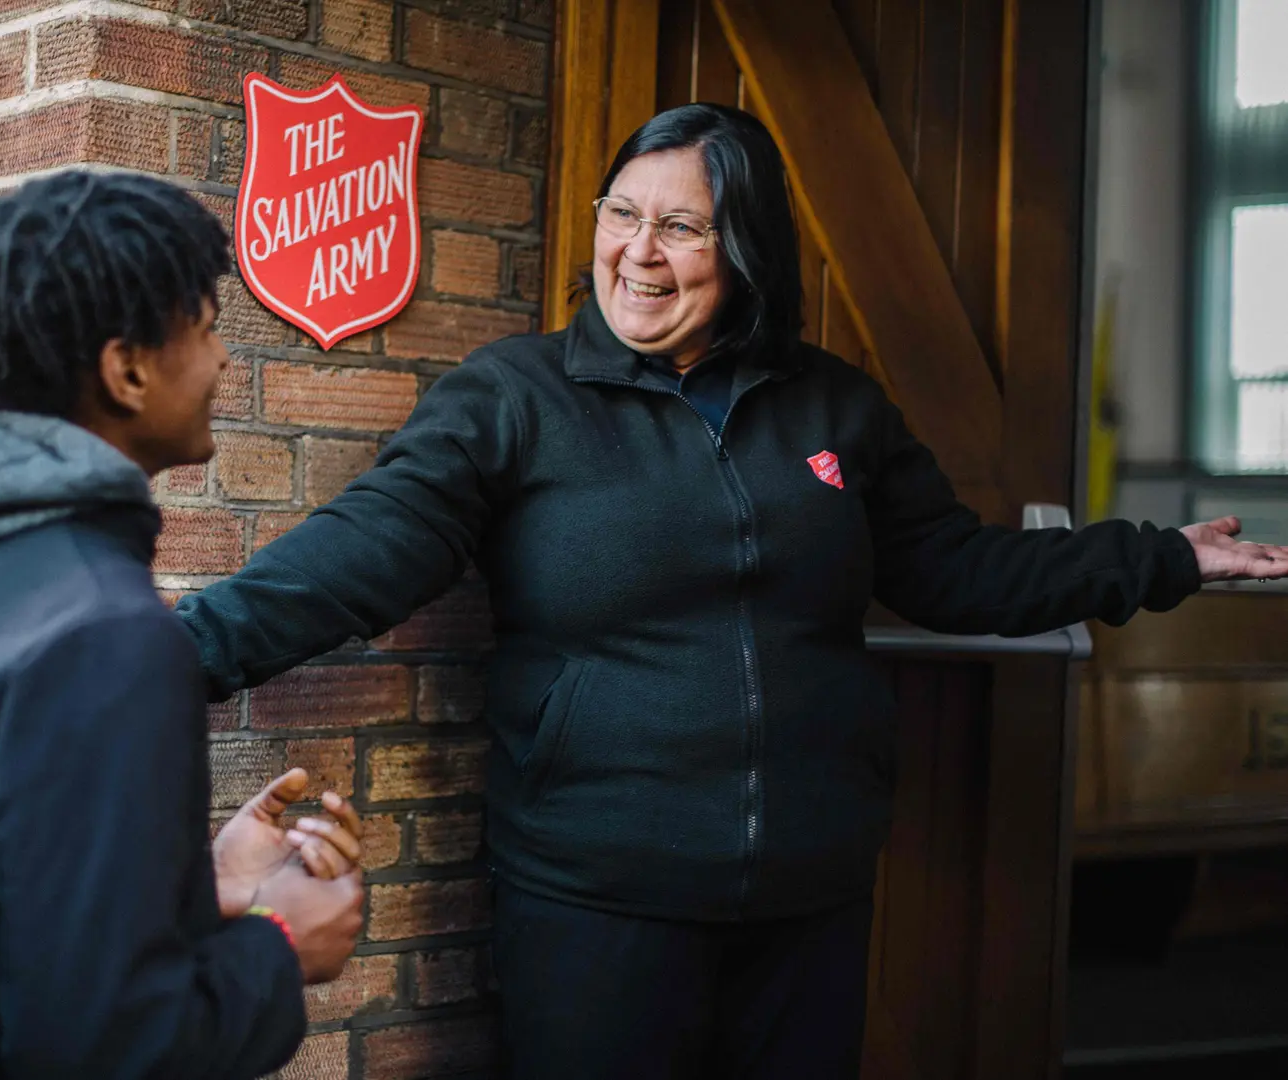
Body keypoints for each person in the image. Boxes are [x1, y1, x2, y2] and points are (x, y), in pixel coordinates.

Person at [174, 104, 1288, 1078]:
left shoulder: (836, 410)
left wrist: (1164, 557)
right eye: (621, 214)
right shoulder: (512, 399)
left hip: (808, 895)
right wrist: (162, 661)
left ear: (746, 249)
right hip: (595, 897)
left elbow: (958, 569)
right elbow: (363, 551)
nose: (637, 253)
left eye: (681, 226)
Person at [0, 170, 368, 1080]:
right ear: (127, 369)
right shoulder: (105, 637)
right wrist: (277, 943)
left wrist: (190, 885)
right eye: (208, 327)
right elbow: (106, 1045)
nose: (225, 360)